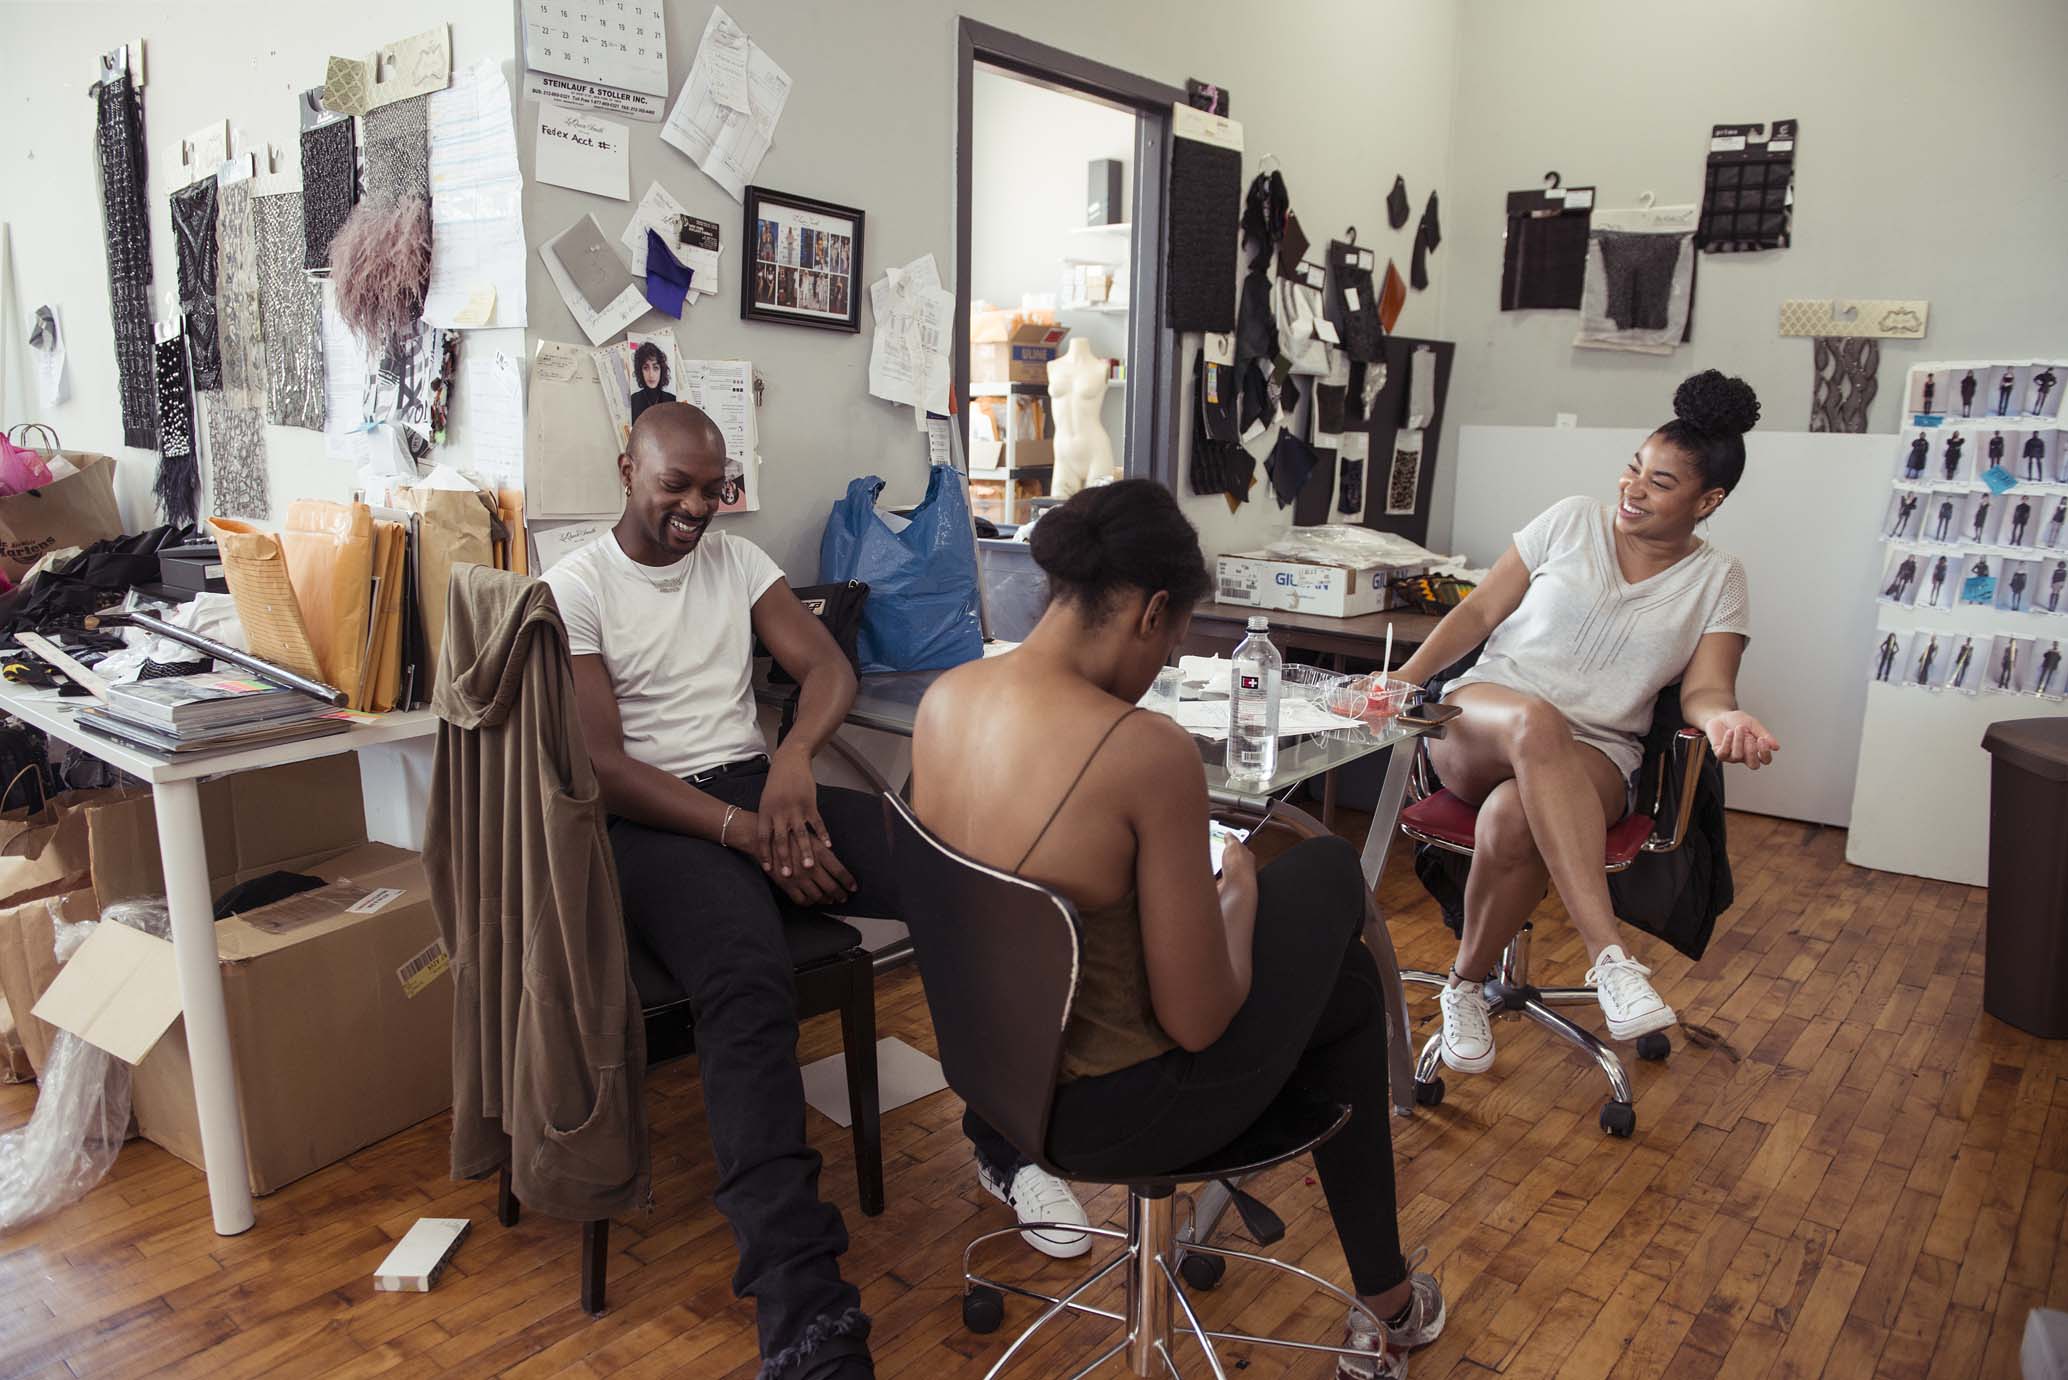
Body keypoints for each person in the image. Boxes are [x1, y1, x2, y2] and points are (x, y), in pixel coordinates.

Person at [547, 405, 1086, 1380]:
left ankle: (1004, 1143)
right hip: (654, 827)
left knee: (959, 879)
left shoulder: (738, 565)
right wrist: (740, 835)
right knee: (745, 986)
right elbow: (602, 765)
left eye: (714, 489)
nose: (696, 507)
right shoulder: (577, 585)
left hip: (758, 788)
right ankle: (804, 1321)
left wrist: (792, 758)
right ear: (626, 467)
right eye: (676, 484)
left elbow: (826, 666)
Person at [910, 480, 1445, 1379]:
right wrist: (1233, 895)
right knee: (1322, 880)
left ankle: (1386, 1299)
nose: (1163, 665)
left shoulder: (945, 699)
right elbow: (1199, 1020)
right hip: (1117, 1113)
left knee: (1343, 991)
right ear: (1155, 611)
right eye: (1173, 641)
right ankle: (1385, 1304)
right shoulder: (1143, 749)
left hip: (995, 1084)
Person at [1392, 371, 1778, 1073]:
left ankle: (1464, 987)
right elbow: (1479, 613)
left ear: (1708, 500)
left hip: (1596, 753)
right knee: (1536, 721)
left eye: (1660, 483)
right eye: (1634, 468)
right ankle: (1611, 959)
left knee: (1514, 817)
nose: (1633, 488)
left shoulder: (1720, 579)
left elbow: (1707, 689)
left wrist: (1725, 721)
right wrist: (1405, 679)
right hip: (1481, 718)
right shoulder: (1571, 519)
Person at [628, 341, 675, 425]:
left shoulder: (672, 400)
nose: (651, 375)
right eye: (646, 368)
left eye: (655, 368)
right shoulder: (633, 401)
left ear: (662, 370)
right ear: (640, 371)